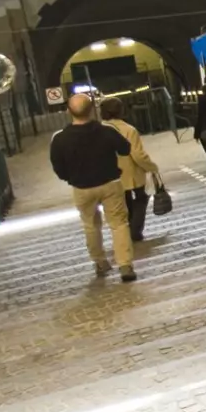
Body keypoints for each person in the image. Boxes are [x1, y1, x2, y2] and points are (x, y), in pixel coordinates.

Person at [48, 92, 138, 282]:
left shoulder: (60, 139)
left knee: (90, 225)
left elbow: (58, 167)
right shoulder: (106, 131)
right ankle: (125, 265)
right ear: (92, 110)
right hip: (110, 183)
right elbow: (126, 148)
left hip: (82, 188)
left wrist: (70, 178)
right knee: (119, 224)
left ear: (68, 111)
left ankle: (100, 262)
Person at [99, 95, 163, 242]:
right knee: (141, 198)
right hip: (130, 173)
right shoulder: (129, 129)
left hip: (109, 175)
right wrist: (152, 167)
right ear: (121, 111)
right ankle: (135, 231)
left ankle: (127, 231)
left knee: (124, 202)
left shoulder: (97, 130)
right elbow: (137, 154)